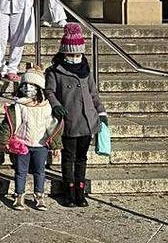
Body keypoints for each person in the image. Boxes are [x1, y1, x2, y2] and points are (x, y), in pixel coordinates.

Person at [45, 23, 108, 208]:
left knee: (82, 158)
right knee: (69, 157)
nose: (75, 58)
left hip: (87, 121)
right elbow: (49, 91)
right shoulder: (55, 71)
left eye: (78, 54)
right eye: (71, 54)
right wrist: (56, 106)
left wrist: (101, 112)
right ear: (64, 53)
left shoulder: (86, 70)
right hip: (69, 121)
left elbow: (94, 94)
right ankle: (69, 192)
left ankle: (81, 192)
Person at [0, 66, 62, 211]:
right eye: (25, 85)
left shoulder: (46, 106)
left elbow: (52, 126)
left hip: (41, 145)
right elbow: (9, 124)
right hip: (22, 144)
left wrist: (56, 145)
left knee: (40, 171)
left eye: (31, 85)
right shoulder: (18, 106)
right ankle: (19, 195)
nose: (27, 88)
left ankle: (39, 196)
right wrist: (3, 140)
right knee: (21, 171)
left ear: (39, 88)